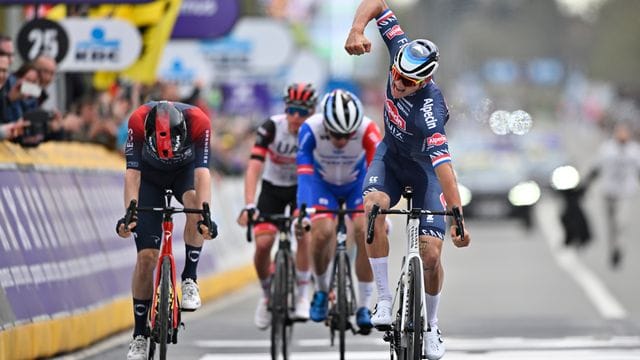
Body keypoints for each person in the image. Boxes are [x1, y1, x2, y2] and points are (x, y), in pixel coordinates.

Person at [345, 1, 471, 359]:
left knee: (431, 256)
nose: (397, 83)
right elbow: (377, 4)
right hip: (391, 161)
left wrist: (458, 219)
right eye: (396, 74)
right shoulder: (401, 50)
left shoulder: (429, 112)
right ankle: (384, 299)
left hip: (426, 173)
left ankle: (431, 327)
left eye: (408, 81)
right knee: (372, 208)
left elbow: (445, 169)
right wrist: (357, 29)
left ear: (426, 80)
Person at [116, 100, 217, 360]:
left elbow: (202, 173)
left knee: (195, 205)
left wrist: (205, 215)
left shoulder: (199, 121)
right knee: (146, 258)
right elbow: (132, 176)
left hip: (184, 173)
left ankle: (190, 278)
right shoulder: (138, 120)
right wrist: (130, 214)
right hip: (150, 178)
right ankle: (139, 334)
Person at [296, 89, 381, 332]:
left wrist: (379, 211)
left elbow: (378, 171)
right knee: (321, 232)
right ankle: (322, 290)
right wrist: (304, 211)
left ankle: (364, 305)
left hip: (358, 184)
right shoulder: (310, 128)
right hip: (322, 184)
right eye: (335, 134)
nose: (341, 140)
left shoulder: (368, 129)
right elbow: (303, 172)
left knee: (367, 232)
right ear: (325, 125)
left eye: (347, 134)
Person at [236, 83, 316, 329]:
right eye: (291, 110)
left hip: (301, 189)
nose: (295, 117)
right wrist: (249, 204)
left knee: (302, 233)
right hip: (272, 188)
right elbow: (254, 166)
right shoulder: (272, 126)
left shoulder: (315, 130)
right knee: (263, 245)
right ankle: (268, 293)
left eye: (301, 112)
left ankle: (303, 294)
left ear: (311, 112)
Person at [585, 122, 640, 269]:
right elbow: (596, 168)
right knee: (611, 225)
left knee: (621, 223)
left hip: (625, 192)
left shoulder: (635, 151)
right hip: (609, 192)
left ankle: (619, 247)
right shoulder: (606, 149)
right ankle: (613, 249)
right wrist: (586, 185)